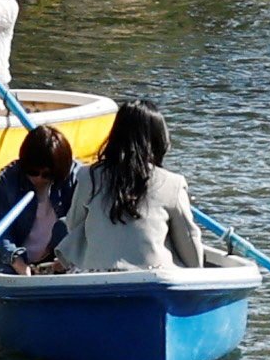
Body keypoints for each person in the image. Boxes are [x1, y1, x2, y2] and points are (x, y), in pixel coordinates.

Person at [55, 101, 205, 270]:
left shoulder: (88, 176)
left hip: (98, 273)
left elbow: (73, 224)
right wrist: (197, 270)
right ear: (159, 139)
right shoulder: (173, 183)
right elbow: (189, 240)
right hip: (153, 275)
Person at [0, 120, 79, 268]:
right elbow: (0, 232)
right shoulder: (6, 180)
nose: (39, 179)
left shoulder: (76, 177)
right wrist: (18, 262)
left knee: (63, 225)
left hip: (61, 258)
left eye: (47, 174)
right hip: (18, 260)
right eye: (33, 172)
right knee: (3, 269)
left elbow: (86, 224)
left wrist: (68, 258)